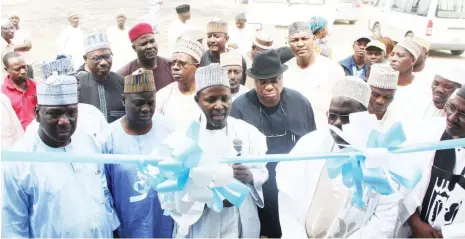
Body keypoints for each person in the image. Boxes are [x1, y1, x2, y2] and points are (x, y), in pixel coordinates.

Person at [277, 77, 401, 238]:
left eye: (347, 117)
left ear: (363, 116)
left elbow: (385, 217)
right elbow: (288, 197)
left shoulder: (379, 153)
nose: (337, 123)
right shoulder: (309, 144)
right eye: (333, 115)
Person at [2, 74, 120, 238]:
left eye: (71, 112)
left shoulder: (89, 144)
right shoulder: (19, 162)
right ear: (37, 113)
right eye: (54, 114)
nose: (64, 121)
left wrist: (113, 228)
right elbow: (12, 226)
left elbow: (103, 193)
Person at [173, 63, 268, 238]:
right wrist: (208, 195)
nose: (219, 106)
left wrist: (250, 176)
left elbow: (262, 170)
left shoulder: (248, 133)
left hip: (238, 218)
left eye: (225, 98)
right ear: (197, 100)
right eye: (211, 100)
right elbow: (175, 185)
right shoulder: (185, 137)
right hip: (202, 221)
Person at [231, 49, 316, 238]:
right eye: (263, 82)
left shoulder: (300, 103)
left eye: (274, 80)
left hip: (293, 185)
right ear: (254, 82)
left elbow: (312, 145)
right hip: (257, 188)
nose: (269, 87)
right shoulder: (239, 108)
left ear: (282, 79)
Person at [101, 70, 174, 238]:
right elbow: (103, 189)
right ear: (123, 100)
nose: (146, 109)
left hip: (165, 224)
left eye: (151, 102)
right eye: (139, 103)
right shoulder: (107, 138)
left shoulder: (170, 131)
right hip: (126, 225)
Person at [399, 87, 465, 238]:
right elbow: (400, 177)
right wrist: (414, 221)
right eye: (451, 107)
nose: (452, 118)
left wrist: (446, 235)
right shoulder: (428, 131)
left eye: (463, 115)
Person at [283, 21, 345, 128]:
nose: (300, 44)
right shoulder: (284, 71)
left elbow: (343, 107)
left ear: (313, 39)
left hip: (324, 134)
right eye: (295, 40)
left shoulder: (333, 69)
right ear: (289, 43)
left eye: (304, 38)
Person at [25, 57, 107, 138]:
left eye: (76, 81)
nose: (75, 87)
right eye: (66, 83)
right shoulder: (34, 130)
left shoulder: (93, 113)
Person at [155, 35, 204, 127]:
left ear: (196, 67)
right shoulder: (162, 96)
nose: (175, 67)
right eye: (173, 63)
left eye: (182, 63)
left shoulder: (207, 94)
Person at [78, 33, 125, 123]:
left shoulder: (123, 83)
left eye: (107, 56)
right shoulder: (78, 85)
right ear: (85, 59)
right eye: (96, 58)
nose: (103, 62)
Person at [118, 23, 174, 91]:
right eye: (144, 44)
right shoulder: (124, 75)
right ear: (134, 48)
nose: (150, 46)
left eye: (152, 41)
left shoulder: (171, 67)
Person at [2, 52, 37, 130]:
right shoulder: (3, 94)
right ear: (6, 70)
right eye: (17, 69)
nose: (23, 71)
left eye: (24, 67)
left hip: (37, 134)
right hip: (17, 138)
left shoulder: (36, 86)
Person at [366, 63, 399, 129]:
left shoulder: (396, 121)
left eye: (388, 97)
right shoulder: (353, 114)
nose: (380, 101)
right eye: (375, 95)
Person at [9, 12, 33, 79]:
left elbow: (28, 46)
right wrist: (23, 46)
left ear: (19, 20)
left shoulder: (25, 31)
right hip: (13, 66)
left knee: (30, 86)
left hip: (26, 63)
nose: (14, 20)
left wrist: (14, 48)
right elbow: (7, 48)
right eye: (12, 18)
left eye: (16, 18)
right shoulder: (7, 33)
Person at [1, 20, 15, 84]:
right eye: (7, 29)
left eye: (12, 28)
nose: (12, 31)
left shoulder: (10, 44)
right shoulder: (1, 45)